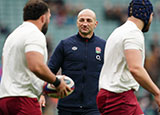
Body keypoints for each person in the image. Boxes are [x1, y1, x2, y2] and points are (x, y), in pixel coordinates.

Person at [0, 0, 71, 114]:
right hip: (23, 99)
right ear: (43, 18)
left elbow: (13, 70)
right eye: (49, 17)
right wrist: (56, 82)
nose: (48, 20)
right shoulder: (35, 34)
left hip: (5, 99)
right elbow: (36, 66)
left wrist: (44, 87)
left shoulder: (12, 36)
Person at [97, 0, 160, 114]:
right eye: (152, 15)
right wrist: (157, 93)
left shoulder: (118, 31)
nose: (151, 19)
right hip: (118, 97)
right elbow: (135, 68)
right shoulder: (133, 33)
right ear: (146, 15)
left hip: (115, 94)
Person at [48, 9, 106, 115]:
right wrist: (42, 94)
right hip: (67, 107)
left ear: (95, 24)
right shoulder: (65, 44)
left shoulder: (104, 46)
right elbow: (49, 70)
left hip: (94, 108)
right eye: (81, 20)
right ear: (77, 22)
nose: (85, 23)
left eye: (89, 20)